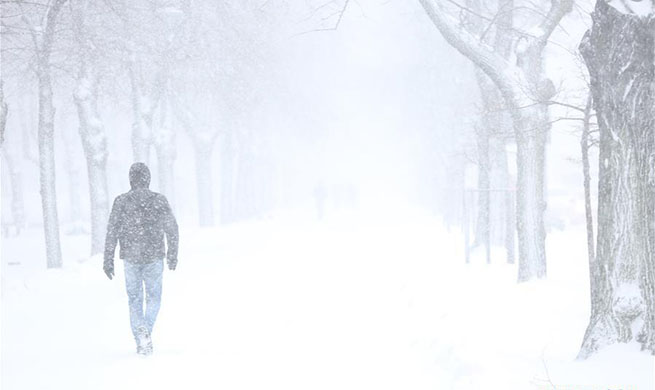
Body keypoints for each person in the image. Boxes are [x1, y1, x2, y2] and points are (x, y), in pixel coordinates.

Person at [103, 162, 179, 355]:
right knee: (154, 298)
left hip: (131, 257)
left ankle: (141, 335)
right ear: (148, 178)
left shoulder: (121, 202)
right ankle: (146, 331)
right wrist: (172, 253)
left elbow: (112, 231)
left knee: (134, 300)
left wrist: (108, 258)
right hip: (154, 256)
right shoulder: (159, 200)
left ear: (131, 179)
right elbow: (172, 228)